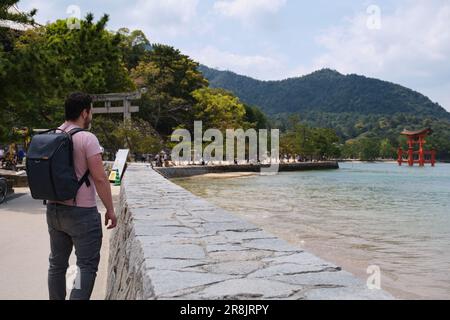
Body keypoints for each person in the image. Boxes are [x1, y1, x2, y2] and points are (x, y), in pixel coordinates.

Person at [46, 92, 117, 300]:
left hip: (54, 210)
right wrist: (110, 210)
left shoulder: (53, 134)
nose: (91, 115)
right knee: (85, 265)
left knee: (57, 265)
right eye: (90, 111)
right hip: (81, 213)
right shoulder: (87, 138)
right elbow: (100, 178)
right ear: (85, 112)